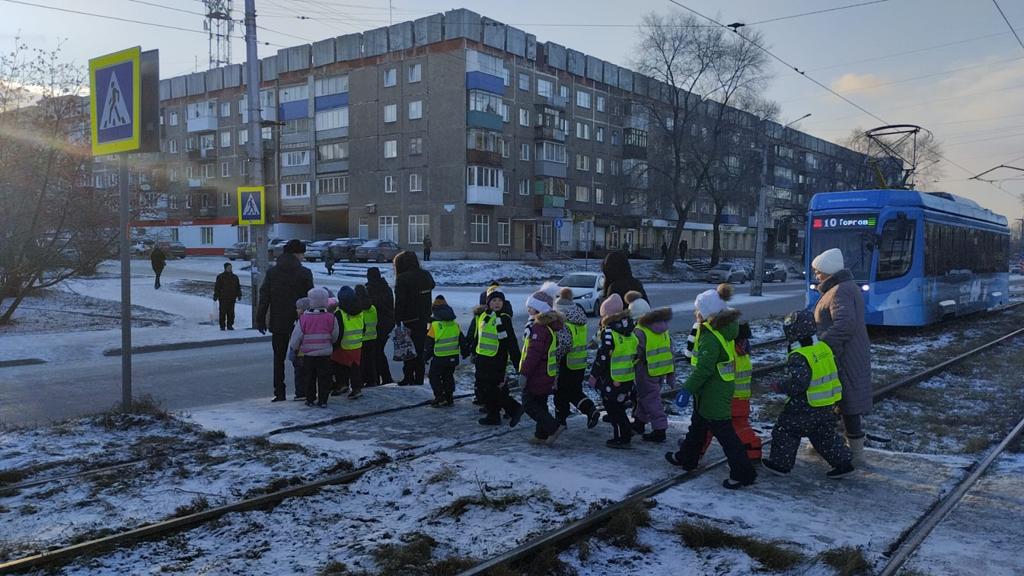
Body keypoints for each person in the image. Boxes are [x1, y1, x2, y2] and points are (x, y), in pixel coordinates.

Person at [665, 285, 757, 490]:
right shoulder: (724, 328)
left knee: (725, 434)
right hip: (713, 388)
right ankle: (686, 458)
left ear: (707, 312)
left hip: (712, 391)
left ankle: (743, 473)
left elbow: (704, 369)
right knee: (697, 426)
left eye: (698, 309)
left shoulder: (710, 335)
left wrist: (686, 389)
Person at [762, 310, 854, 478]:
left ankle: (780, 464)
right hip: (827, 403)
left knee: (786, 430)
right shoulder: (823, 347)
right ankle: (844, 463)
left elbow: (799, 383)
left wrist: (780, 386)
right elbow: (836, 372)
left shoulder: (799, 355)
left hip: (805, 404)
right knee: (824, 435)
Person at [811, 247, 872, 466]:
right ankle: (825, 443)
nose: (816, 275)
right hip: (844, 354)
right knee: (837, 401)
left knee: (847, 403)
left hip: (844, 356)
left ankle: (855, 454)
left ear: (828, 271)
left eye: (819, 271)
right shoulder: (841, 288)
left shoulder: (839, 291)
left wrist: (821, 344)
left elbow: (845, 324)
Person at [257, 239, 314, 402]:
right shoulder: (304, 273)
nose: (303, 257)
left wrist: (260, 319)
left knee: (278, 358)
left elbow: (264, 298)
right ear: (296, 254)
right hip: (300, 323)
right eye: (302, 253)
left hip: (278, 322)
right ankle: (301, 390)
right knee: (301, 357)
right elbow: (311, 299)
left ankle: (279, 392)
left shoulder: (272, 272)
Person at [465, 290, 524, 426]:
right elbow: (478, 337)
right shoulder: (483, 316)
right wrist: (473, 352)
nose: (497, 303)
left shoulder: (504, 318)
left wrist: (517, 362)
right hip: (482, 358)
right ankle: (502, 411)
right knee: (483, 387)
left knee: (491, 388)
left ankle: (506, 411)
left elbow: (511, 342)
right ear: (488, 303)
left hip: (497, 359)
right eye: (493, 301)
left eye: (499, 301)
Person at [520, 287, 570, 444]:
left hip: (537, 373)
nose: (528, 310)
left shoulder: (539, 328)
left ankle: (553, 427)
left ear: (540, 309)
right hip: (546, 372)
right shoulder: (547, 326)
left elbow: (533, 354)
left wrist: (524, 373)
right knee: (540, 403)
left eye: (531, 307)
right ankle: (540, 435)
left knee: (528, 403)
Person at [589, 294, 637, 449]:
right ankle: (626, 432)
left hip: (611, 378)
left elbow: (603, 356)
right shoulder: (629, 329)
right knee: (620, 407)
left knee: (613, 409)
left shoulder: (609, 332)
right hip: (627, 377)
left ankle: (622, 438)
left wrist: (594, 375)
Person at [625, 291, 673, 443]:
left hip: (645, 370)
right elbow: (669, 351)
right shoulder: (663, 329)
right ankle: (639, 422)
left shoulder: (639, 331)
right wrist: (671, 374)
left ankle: (660, 429)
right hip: (661, 369)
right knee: (645, 397)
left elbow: (635, 352)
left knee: (650, 399)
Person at [553, 288, 600, 429]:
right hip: (580, 362)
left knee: (561, 392)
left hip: (565, 362)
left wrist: (554, 360)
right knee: (574, 391)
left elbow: (561, 345)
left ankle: (560, 420)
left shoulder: (562, 321)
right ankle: (591, 409)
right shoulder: (579, 317)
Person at [289, 288, 339, 408]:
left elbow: (296, 337)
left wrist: (294, 348)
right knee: (324, 378)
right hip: (325, 354)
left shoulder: (304, 318)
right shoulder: (330, 317)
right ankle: (323, 400)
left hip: (309, 354)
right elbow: (335, 335)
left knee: (309, 378)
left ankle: (310, 399)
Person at [393, 250, 435, 386]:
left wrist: (397, 318)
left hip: (409, 318)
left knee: (408, 349)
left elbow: (400, 301)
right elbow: (432, 285)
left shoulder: (402, 278)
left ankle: (409, 377)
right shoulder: (425, 275)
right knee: (420, 347)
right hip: (424, 317)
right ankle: (419, 378)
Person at [424, 295, 463, 407]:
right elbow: (462, 340)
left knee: (434, 376)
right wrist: (465, 352)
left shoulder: (435, 326)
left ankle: (440, 397)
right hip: (453, 357)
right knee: (448, 376)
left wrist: (425, 357)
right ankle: (449, 397)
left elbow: (429, 344)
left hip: (439, 357)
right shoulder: (455, 325)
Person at [331, 286, 364, 399]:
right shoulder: (360, 311)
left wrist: (334, 345)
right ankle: (356, 388)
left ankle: (342, 384)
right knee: (354, 367)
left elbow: (337, 331)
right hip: (357, 344)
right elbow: (363, 327)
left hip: (343, 344)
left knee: (339, 365)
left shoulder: (340, 313)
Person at [365, 267, 395, 385]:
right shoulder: (386, 288)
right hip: (388, 322)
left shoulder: (370, 289)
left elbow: (369, 305)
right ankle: (384, 377)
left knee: (376, 352)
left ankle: (378, 378)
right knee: (379, 351)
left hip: (378, 323)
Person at [355, 285, 379, 388]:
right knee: (371, 361)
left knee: (361, 362)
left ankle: (360, 381)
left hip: (361, 338)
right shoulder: (372, 307)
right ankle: (372, 380)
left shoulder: (358, 308)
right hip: (372, 337)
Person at [213, 262, 242, 331]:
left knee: (231, 313)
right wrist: (216, 295)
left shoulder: (235, 277)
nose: (230, 269)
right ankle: (222, 326)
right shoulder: (220, 277)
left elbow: (238, 287)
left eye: (230, 267)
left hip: (232, 298)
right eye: (228, 267)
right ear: (225, 268)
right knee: (222, 312)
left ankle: (230, 325)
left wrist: (239, 294)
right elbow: (217, 287)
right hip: (223, 298)